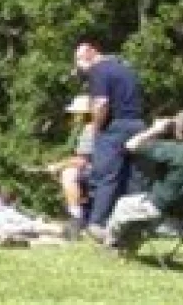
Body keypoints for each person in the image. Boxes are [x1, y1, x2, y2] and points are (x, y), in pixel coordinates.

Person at [105, 109, 183, 255]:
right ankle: (127, 248)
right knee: (138, 210)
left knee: (124, 204)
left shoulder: (173, 150)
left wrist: (155, 129)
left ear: (180, 131)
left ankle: (112, 245)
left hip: (162, 211)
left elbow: (131, 145)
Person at [74, 41, 147, 236]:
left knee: (105, 177)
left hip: (114, 127)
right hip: (137, 125)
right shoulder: (126, 69)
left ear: (91, 53)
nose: (79, 67)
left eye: (79, 60)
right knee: (132, 178)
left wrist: (97, 128)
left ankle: (97, 223)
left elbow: (101, 103)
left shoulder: (98, 70)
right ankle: (131, 227)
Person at [42, 94, 97, 233]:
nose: (73, 116)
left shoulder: (90, 129)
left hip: (97, 169)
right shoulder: (95, 128)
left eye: (76, 113)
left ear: (84, 114)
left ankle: (76, 218)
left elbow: (82, 161)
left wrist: (57, 166)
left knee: (68, 174)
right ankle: (84, 212)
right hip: (103, 167)